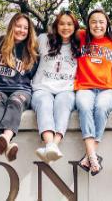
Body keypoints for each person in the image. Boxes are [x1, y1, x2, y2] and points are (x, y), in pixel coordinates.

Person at [0, 13, 38, 162]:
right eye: (18, 26)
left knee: (15, 102)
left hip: (21, 89)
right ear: (11, 27)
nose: (21, 30)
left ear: (29, 31)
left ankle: (5, 138)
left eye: (25, 28)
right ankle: (8, 147)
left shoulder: (31, 50)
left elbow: (31, 74)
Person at [75, 9, 112, 176]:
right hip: (84, 86)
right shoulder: (80, 37)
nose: (97, 25)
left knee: (101, 107)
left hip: (108, 88)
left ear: (107, 24)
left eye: (101, 22)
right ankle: (93, 156)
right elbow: (61, 28)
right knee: (84, 106)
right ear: (88, 25)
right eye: (93, 21)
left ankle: (89, 155)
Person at [31, 11, 80, 164]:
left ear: (75, 26)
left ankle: (54, 145)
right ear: (56, 25)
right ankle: (49, 145)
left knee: (63, 104)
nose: (66, 27)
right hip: (42, 86)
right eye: (62, 23)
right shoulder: (43, 39)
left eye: (69, 24)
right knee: (44, 103)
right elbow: (27, 51)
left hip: (66, 88)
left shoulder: (79, 44)